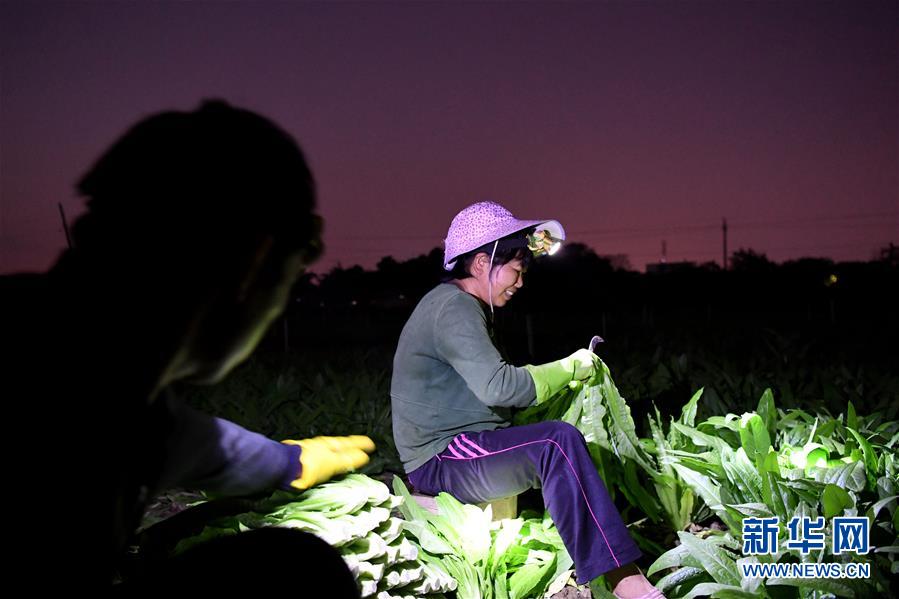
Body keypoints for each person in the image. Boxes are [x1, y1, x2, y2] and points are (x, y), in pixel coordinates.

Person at [2, 100, 372, 593]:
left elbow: (203, 448)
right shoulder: (74, 398)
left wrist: (290, 462)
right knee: (302, 574)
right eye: (291, 275)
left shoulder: (109, 377)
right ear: (257, 263)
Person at [390, 201, 664, 599]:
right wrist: (570, 367)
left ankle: (603, 564)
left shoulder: (456, 305)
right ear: (482, 263)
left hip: (461, 447)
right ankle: (625, 582)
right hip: (442, 458)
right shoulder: (454, 309)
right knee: (556, 443)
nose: (519, 282)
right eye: (516, 271)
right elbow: (500, 387)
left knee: (556, 446)